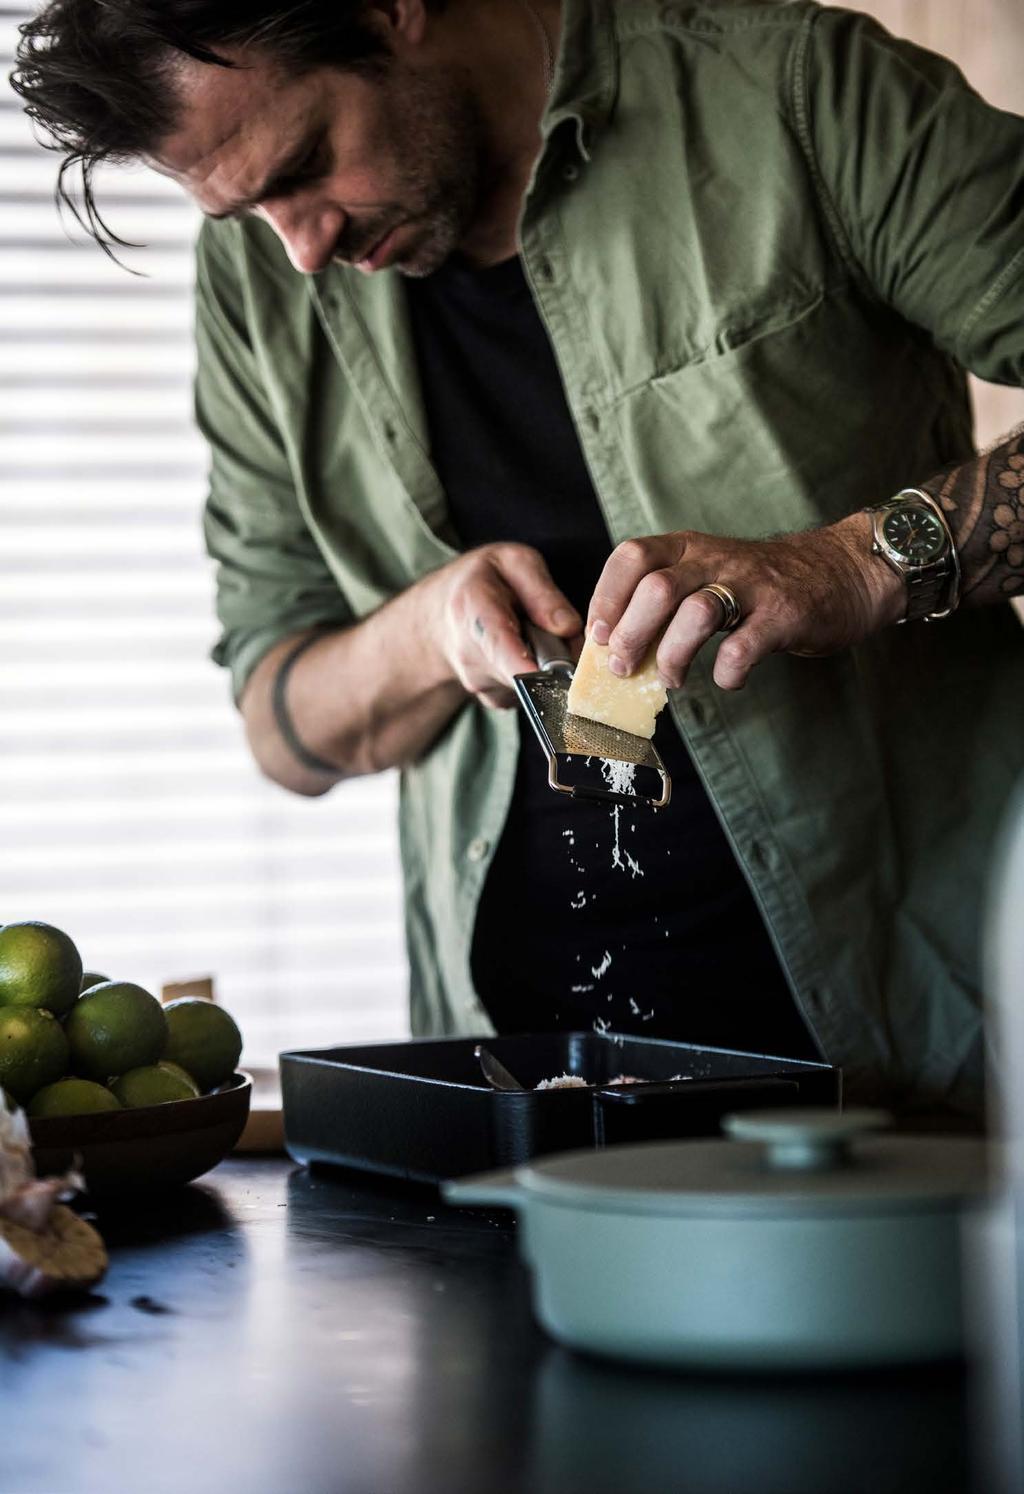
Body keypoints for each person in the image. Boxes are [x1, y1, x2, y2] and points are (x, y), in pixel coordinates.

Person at [12, 0, 1024, 1120]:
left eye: (306, 163)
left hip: (921, 1062)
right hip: (509, 1113)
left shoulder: (797, 93)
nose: (302, 250)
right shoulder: (261, 281)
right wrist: (426, 632)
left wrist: (863, 562)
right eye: (248, 208)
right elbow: (281, 726)